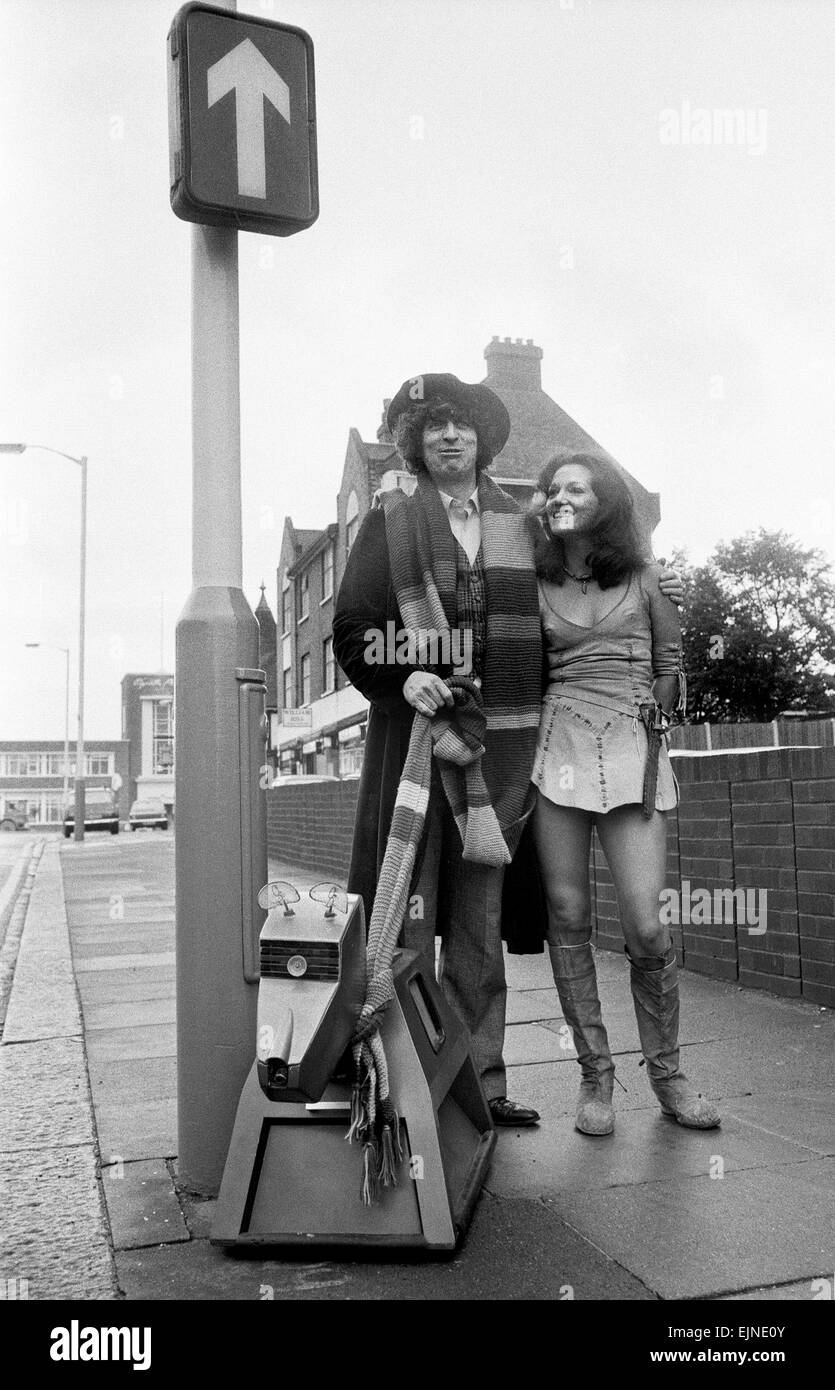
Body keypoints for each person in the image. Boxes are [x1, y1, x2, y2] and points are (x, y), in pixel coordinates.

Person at [333, 373, 543, 1125]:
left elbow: (568, 612)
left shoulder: (522, 525)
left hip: (502, 752)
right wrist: (406, 672)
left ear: (481, 438)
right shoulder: (389, 522)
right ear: (415, 443)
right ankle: (405, 1085)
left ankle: (481, 1087)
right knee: (409, 910)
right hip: (415, 743)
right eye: (433, 428)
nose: (449, 438)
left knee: (479, 926)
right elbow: (353, 629)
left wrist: (657, 588)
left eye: (461, 426)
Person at [528, 448, 720, 1135]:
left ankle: (666, 1076)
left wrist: (654, 721)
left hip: (633, 747)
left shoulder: (645, 576)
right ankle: (595, 1076)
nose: (558, 497)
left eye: (574, 488)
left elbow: (670, 665)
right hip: (559, 752)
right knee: (566, 911)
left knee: (646, 925)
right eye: (551, 489)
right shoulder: (533, 578)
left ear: (603, 500)